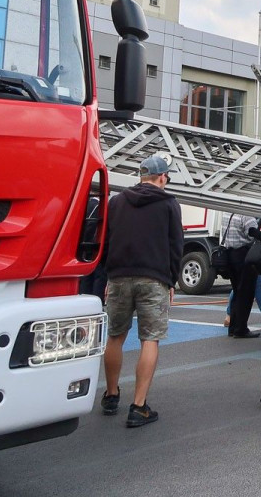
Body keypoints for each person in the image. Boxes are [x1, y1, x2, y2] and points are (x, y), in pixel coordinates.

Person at [100, 154, 183, 428]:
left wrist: (108, 276)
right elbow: (175, 246)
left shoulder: (117, 202)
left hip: (119, 276)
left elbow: (107, 239)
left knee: (115, 336)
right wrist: (171, 280)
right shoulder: (169, 204)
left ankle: (111, 396)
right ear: (162, 177)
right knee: (150, 338)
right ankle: (138, 406)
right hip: (154, 278)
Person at [222, 213, 261, 338]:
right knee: (246, 293)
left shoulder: (227, 212)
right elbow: (252, 235)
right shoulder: (247, 215)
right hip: (243, 255)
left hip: (229, 255)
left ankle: (233, 327)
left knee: (237, 291)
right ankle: (241, 329)